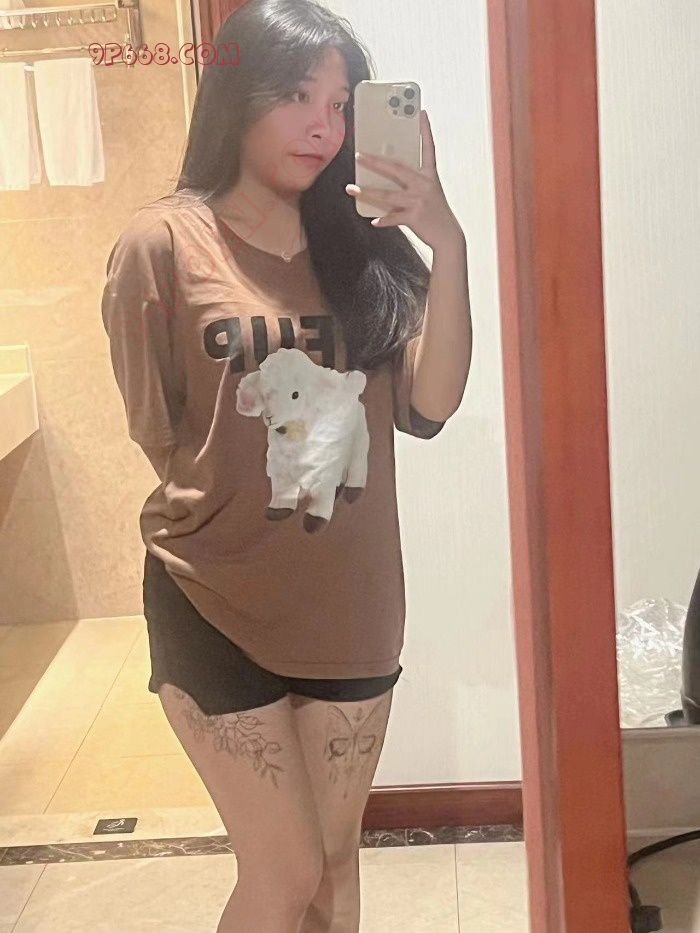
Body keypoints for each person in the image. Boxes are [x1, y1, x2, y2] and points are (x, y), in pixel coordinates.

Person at [100, 1, 472, 929]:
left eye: (341, 105)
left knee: (334, 864)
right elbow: (159, 426)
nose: (323, 126)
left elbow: (431, 404)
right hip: (211, 593)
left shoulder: (367, 247)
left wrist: (449, 242)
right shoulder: (162, 246)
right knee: (284, 869)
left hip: (351, 600)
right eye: (297, 96)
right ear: (237, 96)